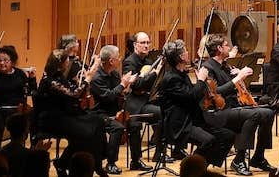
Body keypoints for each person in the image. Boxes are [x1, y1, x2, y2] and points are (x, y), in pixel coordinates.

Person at [199, 35, 275, 174]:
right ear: (219, 48)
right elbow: (214, 93)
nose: (230, 47)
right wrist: (237, 78)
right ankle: (239, 159)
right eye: (226, 45)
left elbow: (235, 88)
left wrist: (238, 75)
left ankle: (258, 156)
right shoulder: (208, 67)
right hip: (218, 113)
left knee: (269, 112)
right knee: (255, 114)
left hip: (233, 107)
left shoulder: (225, 65)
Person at [154, 40, 235, 169]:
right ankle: (189, 168)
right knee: (209, 141)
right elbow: (192, 97)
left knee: (227, 135)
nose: (187, 52)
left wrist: (203, 86)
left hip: (193, 120)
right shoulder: (171, 79)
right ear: (181, 57)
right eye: (185, 51)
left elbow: (192, 94)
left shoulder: (181, 74)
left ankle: (201, 168)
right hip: (180, 125)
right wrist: (201, 80)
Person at [34, 48, 110, 177]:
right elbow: (73, 94)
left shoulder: (59, 77)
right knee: (86, 133)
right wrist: (88, 78)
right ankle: (64, 163)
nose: (69, 62)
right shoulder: (49, 80)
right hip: (52, 119)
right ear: (61, 63)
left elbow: (73, 91)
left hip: (66, 115)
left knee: (98, 122)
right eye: (67, 59)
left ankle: (97, 163)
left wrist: (78, 82)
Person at [89, 45, 143, 174]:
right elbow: (108, 97)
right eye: (118, 57)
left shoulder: (113, 73)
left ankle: (136, 161)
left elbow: (119, 93)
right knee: (117, 128)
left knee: (135, 125)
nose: (120, 59)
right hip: (100, 113)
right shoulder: (97, 78)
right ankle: (110, 163)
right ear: (111, 61)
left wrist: (127, 85)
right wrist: (122, 84)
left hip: (115, 111)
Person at [120, 33, 164, 165]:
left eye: (148, 42)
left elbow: (152, 83)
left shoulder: (149, 61)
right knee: (134, 124)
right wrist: (154, 73)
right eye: (143, 43)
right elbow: (137, 85)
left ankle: (159, 153)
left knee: (164, 112)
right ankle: (136, 160)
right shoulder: (129, 62)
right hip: (133, 104)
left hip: (147, 101)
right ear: (135, 45)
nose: (146, 45)